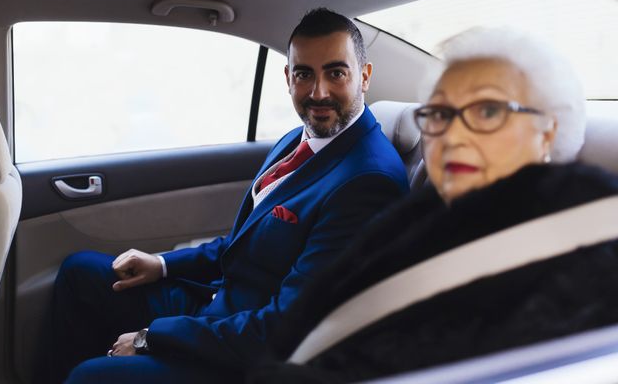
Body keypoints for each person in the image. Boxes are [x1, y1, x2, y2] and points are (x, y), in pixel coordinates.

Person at [47, 8, 409, 384]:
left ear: (364, 77)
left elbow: (287, 328)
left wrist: (150, 338)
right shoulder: (297, 139)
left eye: (336, 72)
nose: (318, 92)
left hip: (249, 351)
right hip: (220, 304)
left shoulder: (368, 181)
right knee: (81, 273)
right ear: (288, 78)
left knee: (90, 378)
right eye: (304, 74)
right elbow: (244, 243)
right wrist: (163, 264)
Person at [250, 27, 618, 383]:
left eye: (487, 112)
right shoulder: (416, 220)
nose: (453, 136)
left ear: (548, 130)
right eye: (440, 115)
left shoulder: (586, 260)